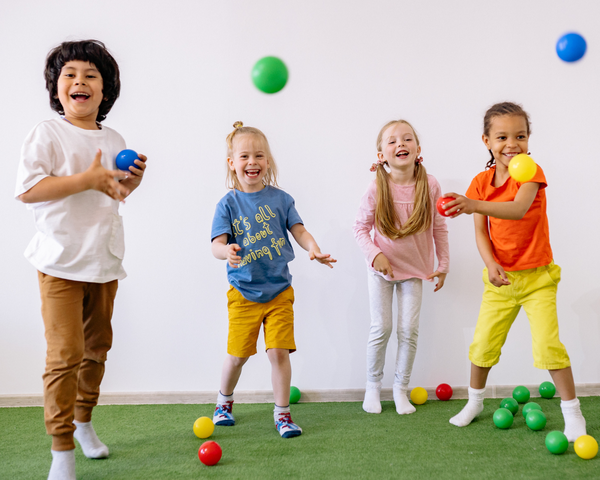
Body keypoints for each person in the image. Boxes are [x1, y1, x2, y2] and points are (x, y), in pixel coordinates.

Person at [14, 40, 147, 480]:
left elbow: (115, 195)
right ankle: (61, 450)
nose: (80, 82)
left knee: (96, 350)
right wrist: (85, 178)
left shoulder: (115, 139)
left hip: (103, 261)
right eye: (70, 74)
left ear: (105, 91)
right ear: (57, 89)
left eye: (91, 76)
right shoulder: (47, 134)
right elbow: (30, 190)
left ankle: (84, 421)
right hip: (59, 263)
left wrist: (131, 183)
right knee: (64, 354)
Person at [443, 102, 586, 441]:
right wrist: (490, 264)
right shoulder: (480, 181)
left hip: (538, 278)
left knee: (549, 346)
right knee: (482, 345)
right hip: (501, 279)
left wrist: (472, 203)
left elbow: (518, 210)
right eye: (502, 136)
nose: (512, 144)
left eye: (520, 136)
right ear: (487, 141)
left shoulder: (531, 172)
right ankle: (475, 402)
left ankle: (572, 411)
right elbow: (481, 232)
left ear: (528, 139)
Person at [210, 122, 336, 438]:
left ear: (268, 161)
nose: (252, 162)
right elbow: (215, 245)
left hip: (280, 291)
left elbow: (299, 230)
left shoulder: (282, 199)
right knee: (237, 356)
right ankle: (223, 402)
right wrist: (227, 252)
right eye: (244, 156)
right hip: (243, 292)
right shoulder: (228, 204)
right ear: (232, 163)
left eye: (259, 156)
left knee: (278, 352)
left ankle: (283, 415)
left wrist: (313, 248)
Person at [353, 120, 449, 415]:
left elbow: (440, 227)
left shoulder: (430, 184)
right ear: (381, 154)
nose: (401, 144)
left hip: (414, 270)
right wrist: (375, 255)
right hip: (382, 270)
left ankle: (400, 389)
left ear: (418, 150)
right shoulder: (376, 187)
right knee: (381, 327)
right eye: (392, 141)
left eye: (407, 139)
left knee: (408, 330)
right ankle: (373, 387)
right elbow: (360, 228)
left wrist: (443, 264)